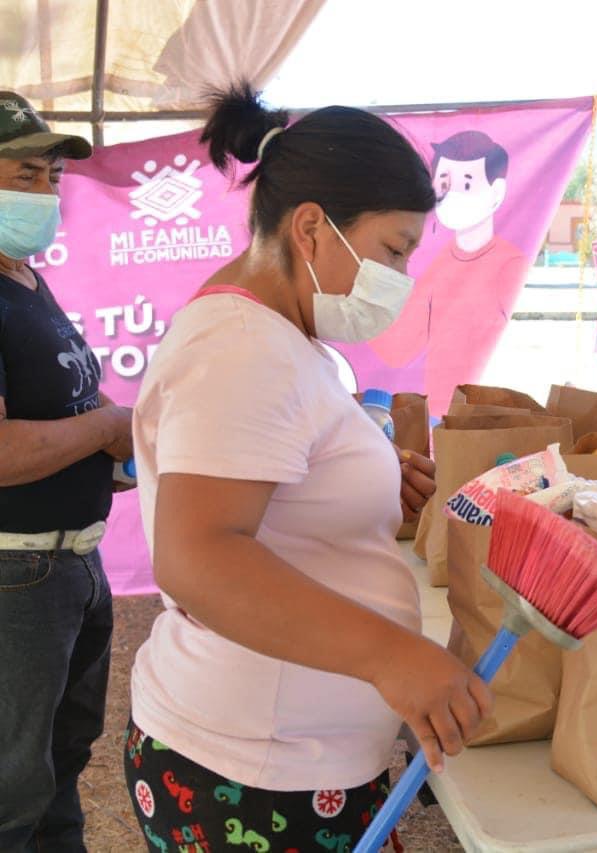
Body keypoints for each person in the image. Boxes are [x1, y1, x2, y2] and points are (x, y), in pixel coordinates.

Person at [123, 85, 492, 847]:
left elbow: (279, 491)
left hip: (285, 760)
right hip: (251, 770)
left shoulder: (275, 336)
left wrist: (372, 481)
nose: (399, 274)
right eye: (393, 249)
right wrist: (392, 655)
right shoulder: (241, 345)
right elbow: (198, 557)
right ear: (313, 226)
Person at [0, 91, 135, 852]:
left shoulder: (23, 277)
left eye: (50, 177)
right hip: (15, 573)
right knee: (11, 788)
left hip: (68, 564)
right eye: (24, 175)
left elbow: (69, 401)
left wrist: (117, 443)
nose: (45, 194)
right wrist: (106, 429)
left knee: (59, 765)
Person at [370, 129, 529, 404]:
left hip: (494, 410)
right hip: (440, 411)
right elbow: (399, 350)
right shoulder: (436, 265)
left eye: (467, 183)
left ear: (496, 192)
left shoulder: (511, 266)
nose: (452, 194)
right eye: (444, 183)